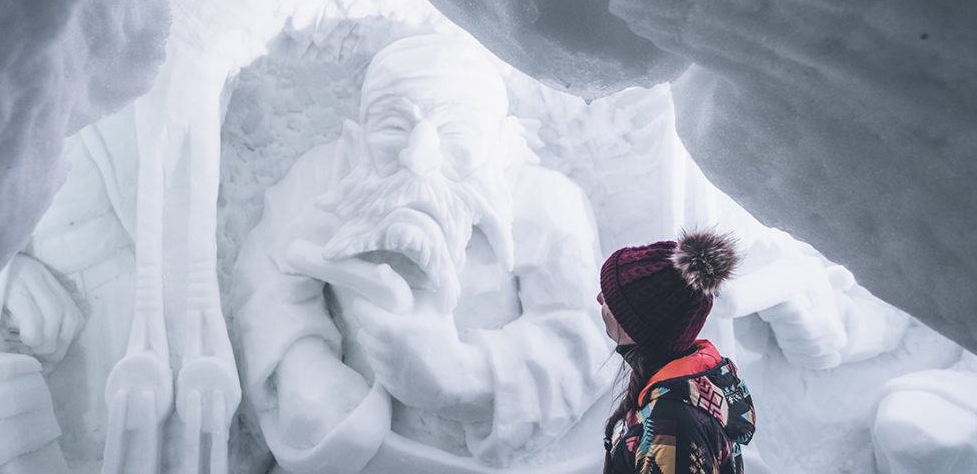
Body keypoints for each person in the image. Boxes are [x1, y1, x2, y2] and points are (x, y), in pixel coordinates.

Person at [232, 34, 612, 473]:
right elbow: (269, 270)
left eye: (455, 130)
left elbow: (585, 334)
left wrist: (464, 377)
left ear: (503, 144)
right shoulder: (326, 180)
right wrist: (302, 367)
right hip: (358, 452)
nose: (419, 156)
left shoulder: (544, 203)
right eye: (394, 126)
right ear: (357, 141)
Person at [597, 230, 756, 474]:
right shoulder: (677, 387)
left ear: (636, 325)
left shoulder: (671, 424)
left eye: (611, 299)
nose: (600, 299)